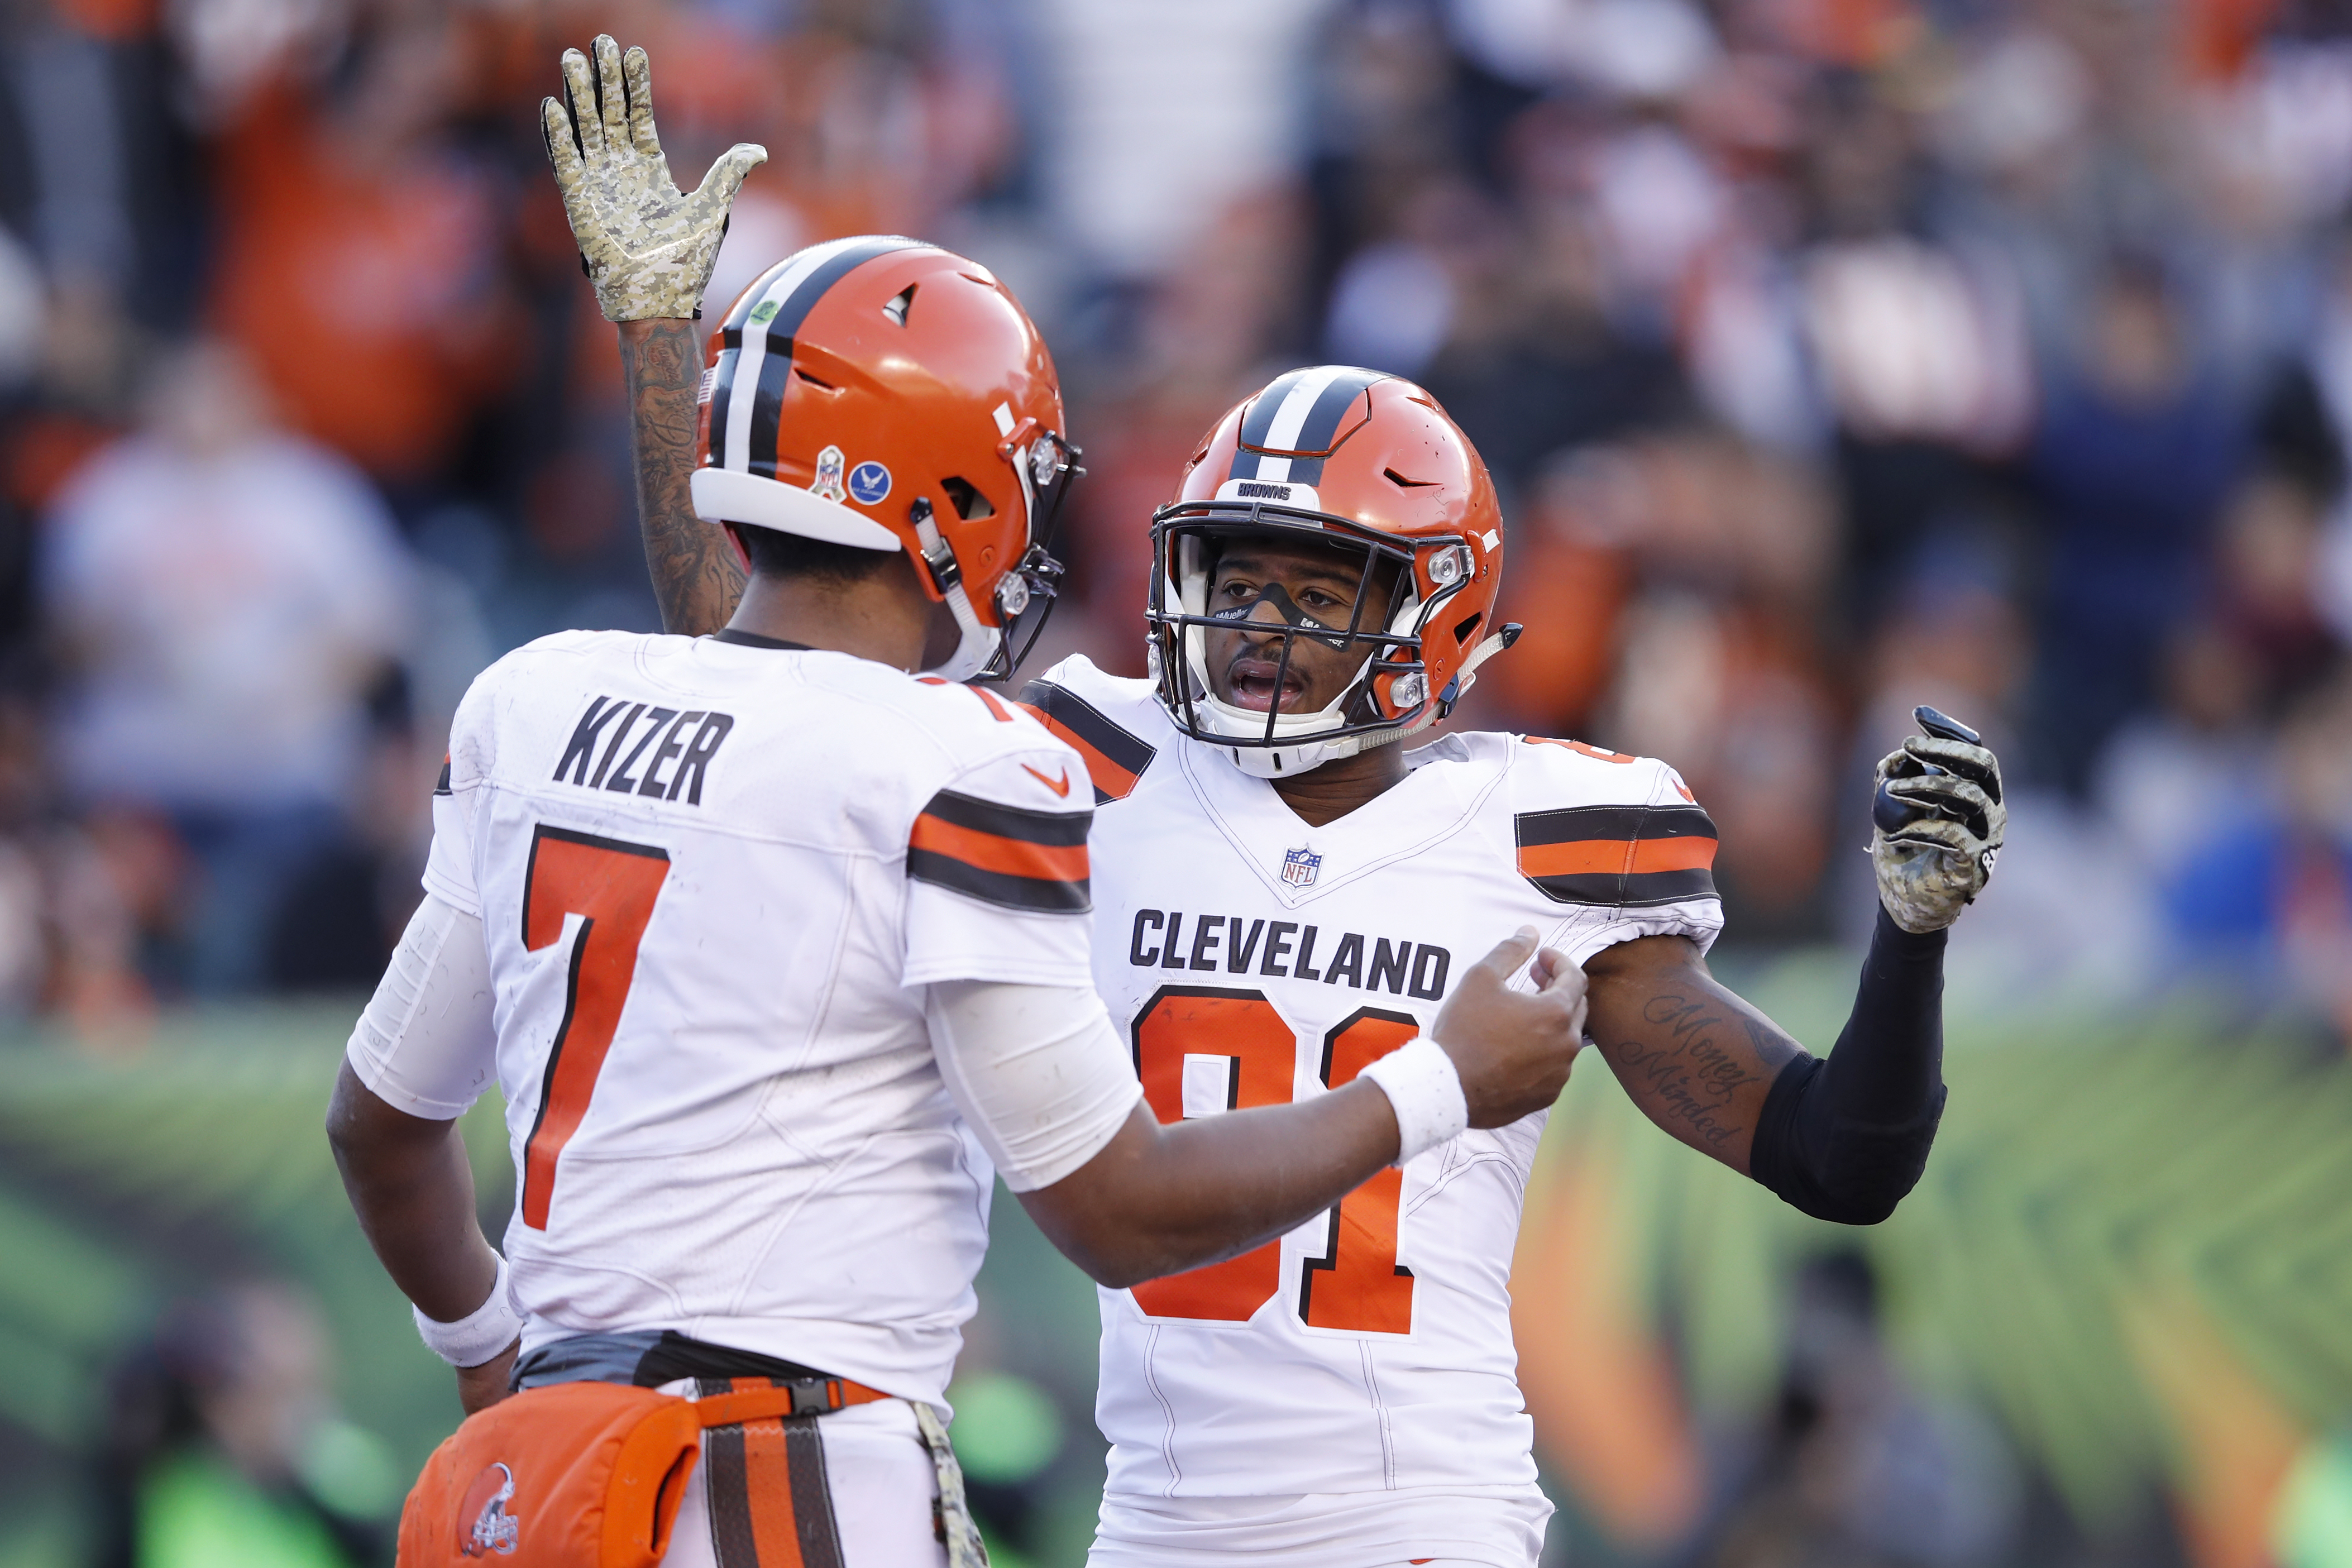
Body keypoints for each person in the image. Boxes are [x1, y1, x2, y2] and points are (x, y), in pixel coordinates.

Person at [326, 39, 1590, 1568]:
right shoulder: (967, 762)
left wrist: (488, 1358)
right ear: (956, 497)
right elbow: (1115, 1210)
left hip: (535, 1486)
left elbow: (382, 1128)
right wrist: (1439, 1080)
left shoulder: (533, 698)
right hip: (793, 1475)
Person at [638, 357, 2006, 1561]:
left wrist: (1909, 941)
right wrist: (660, 352)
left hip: (1417, 1519)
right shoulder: (1089, 764)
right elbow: (779, 701)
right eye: (1239, 582)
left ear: (1438, 612)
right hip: (1159, 1522)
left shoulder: (1540, 838)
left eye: (1318, 588)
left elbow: (1841, 1160)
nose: (1264, 629)